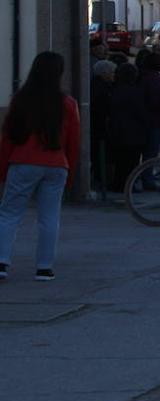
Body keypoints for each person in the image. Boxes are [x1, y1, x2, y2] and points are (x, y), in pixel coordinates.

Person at [0, 52, 80, 282]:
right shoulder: (68, 104)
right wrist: (71, 172)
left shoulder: (21, 99)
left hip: (23, 161)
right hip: (56, 164)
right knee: (49, 217)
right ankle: (44, 267)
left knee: (9, 214)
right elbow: (73, 143)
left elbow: (8, 136)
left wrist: (2, 168)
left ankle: (2, 262)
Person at [108, 62, 152, 194]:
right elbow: (141, 112)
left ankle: (118, 184)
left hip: (117, 130)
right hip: (133, 132)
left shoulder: (114, 90)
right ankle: (128, 185)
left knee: (120, 161)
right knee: (131, 161)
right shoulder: (136, 92)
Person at [89, 59, 115, 191]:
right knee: (99, 156)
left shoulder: (98, 85)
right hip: (99, 128)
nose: (113, 75)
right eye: (111, 72)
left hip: (98, 127)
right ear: (104, 73)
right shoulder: (101, 88)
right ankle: (100, 181)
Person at [138, 52, 160, 165]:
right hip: (154, 120)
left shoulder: (141, 77)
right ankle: (147, 179)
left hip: (141, 120)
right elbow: (156, 101)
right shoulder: (155, 79)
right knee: (151, 153)